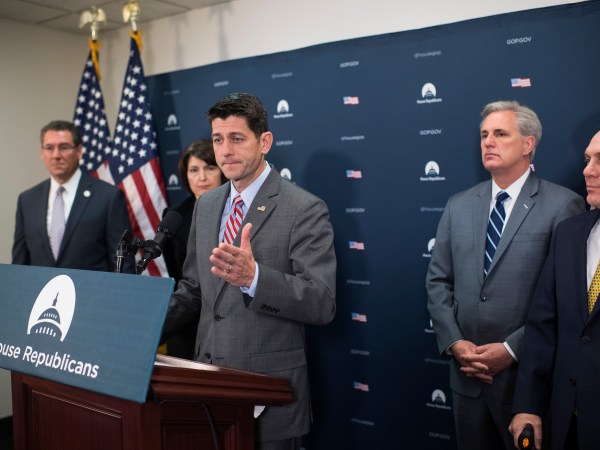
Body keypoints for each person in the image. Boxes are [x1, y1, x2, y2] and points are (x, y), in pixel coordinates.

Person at [161, 92, 336, 450]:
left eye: (237, 139)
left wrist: (253, 278)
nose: (225, 151)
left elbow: (321, 302)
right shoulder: (207, 205)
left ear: (265, 142)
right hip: (208, 386)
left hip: (266, 389)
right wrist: (143, 326)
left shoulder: (304, 208)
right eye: (218, 139)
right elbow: (194, 287)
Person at [426, 100, 585, 450]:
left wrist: (511, 350)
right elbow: (438, 281)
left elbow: (567, 302)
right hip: (466, 380)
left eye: (500, 133)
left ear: (528, 144)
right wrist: (455, 342)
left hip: (526, 384)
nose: (488, 142)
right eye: (484, 134)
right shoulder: (458, 205)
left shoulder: (564, 206)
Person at [508, 132, 600, 450]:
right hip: (565, 425)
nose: (588, 170)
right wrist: (527, 405)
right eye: (588, 160)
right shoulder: (570, 233)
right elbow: (542, 327)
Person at [12, 120, 133, 272]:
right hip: (42, 294)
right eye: (49, 148)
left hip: (91, 293)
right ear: (42, 153)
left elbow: (122, 262)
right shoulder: (27, 200)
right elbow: (19, 264)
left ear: (79, 151)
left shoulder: (108, 197)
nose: (56, 155)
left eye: (64, 147)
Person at [162, 139, 227, 359]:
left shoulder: (238, 211)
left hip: (226, 322)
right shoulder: (175, 216)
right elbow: (176, 272)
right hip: (185, 321)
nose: (202, 178)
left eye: (210, 168)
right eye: (194, 170)